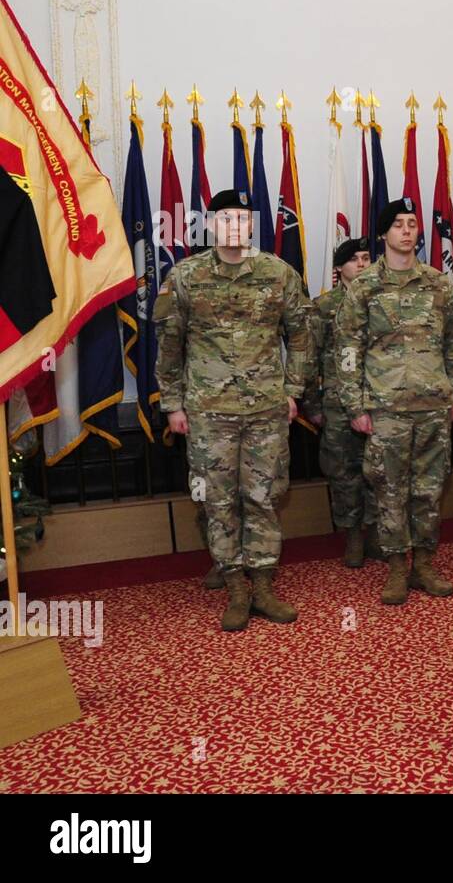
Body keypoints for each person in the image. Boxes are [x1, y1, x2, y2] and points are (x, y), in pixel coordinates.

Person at [155, 188, 313, 631]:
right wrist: (172, 405)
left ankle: (262, 583)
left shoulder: (277, 274)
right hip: (207, 410)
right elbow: (169, 346)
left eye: (243, 219)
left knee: (264, 497)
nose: (234, 226)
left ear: (252, 226)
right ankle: (234, 586)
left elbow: (300, 335)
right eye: (225, 218)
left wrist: (293, 388)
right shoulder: (185, 277)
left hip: (265, 408)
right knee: (218, 500)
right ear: (210, 225)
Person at [334, 197, 453, 605]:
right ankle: (396, 568)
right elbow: (348, 350)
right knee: (390, 491)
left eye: (412, 224)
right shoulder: (365, 287)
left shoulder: (438, 283)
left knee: (429, 490)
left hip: (433, 406)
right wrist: (356, 407)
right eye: (398, 224)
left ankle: (424, 564)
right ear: (383, 234)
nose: (407, 230)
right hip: (386, 409)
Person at [304, 238, 376, 568]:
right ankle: (353, 535)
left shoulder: (382, 300)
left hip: (378, 399)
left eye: (366, 258)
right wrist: (313, 406)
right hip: (337, 403)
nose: (361, 264)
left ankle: (377, 531)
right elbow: (309, 357)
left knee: (378, 470)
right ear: (339, 268)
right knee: (344, 472)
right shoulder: (324, 307)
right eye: (354, 260)